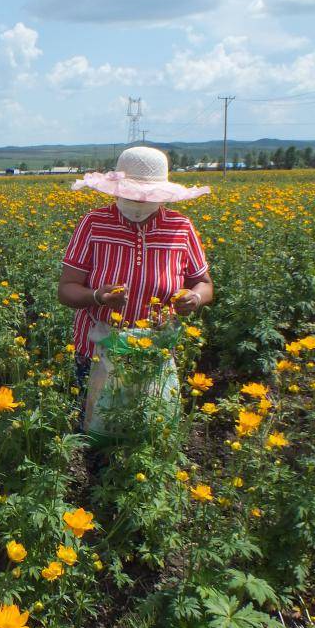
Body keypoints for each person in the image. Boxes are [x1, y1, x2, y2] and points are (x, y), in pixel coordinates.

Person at [58, 147, 213, 432]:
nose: (139, 201)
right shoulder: (94, 223)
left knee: (149, 429)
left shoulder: (181, 227)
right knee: (97, 431)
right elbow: (66, 289)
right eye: (131, 194)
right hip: (98, 350)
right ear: (117, 189)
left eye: (148, 196)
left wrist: (194, 297)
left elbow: (204, 283)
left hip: (155, 351)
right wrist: (97, 296)